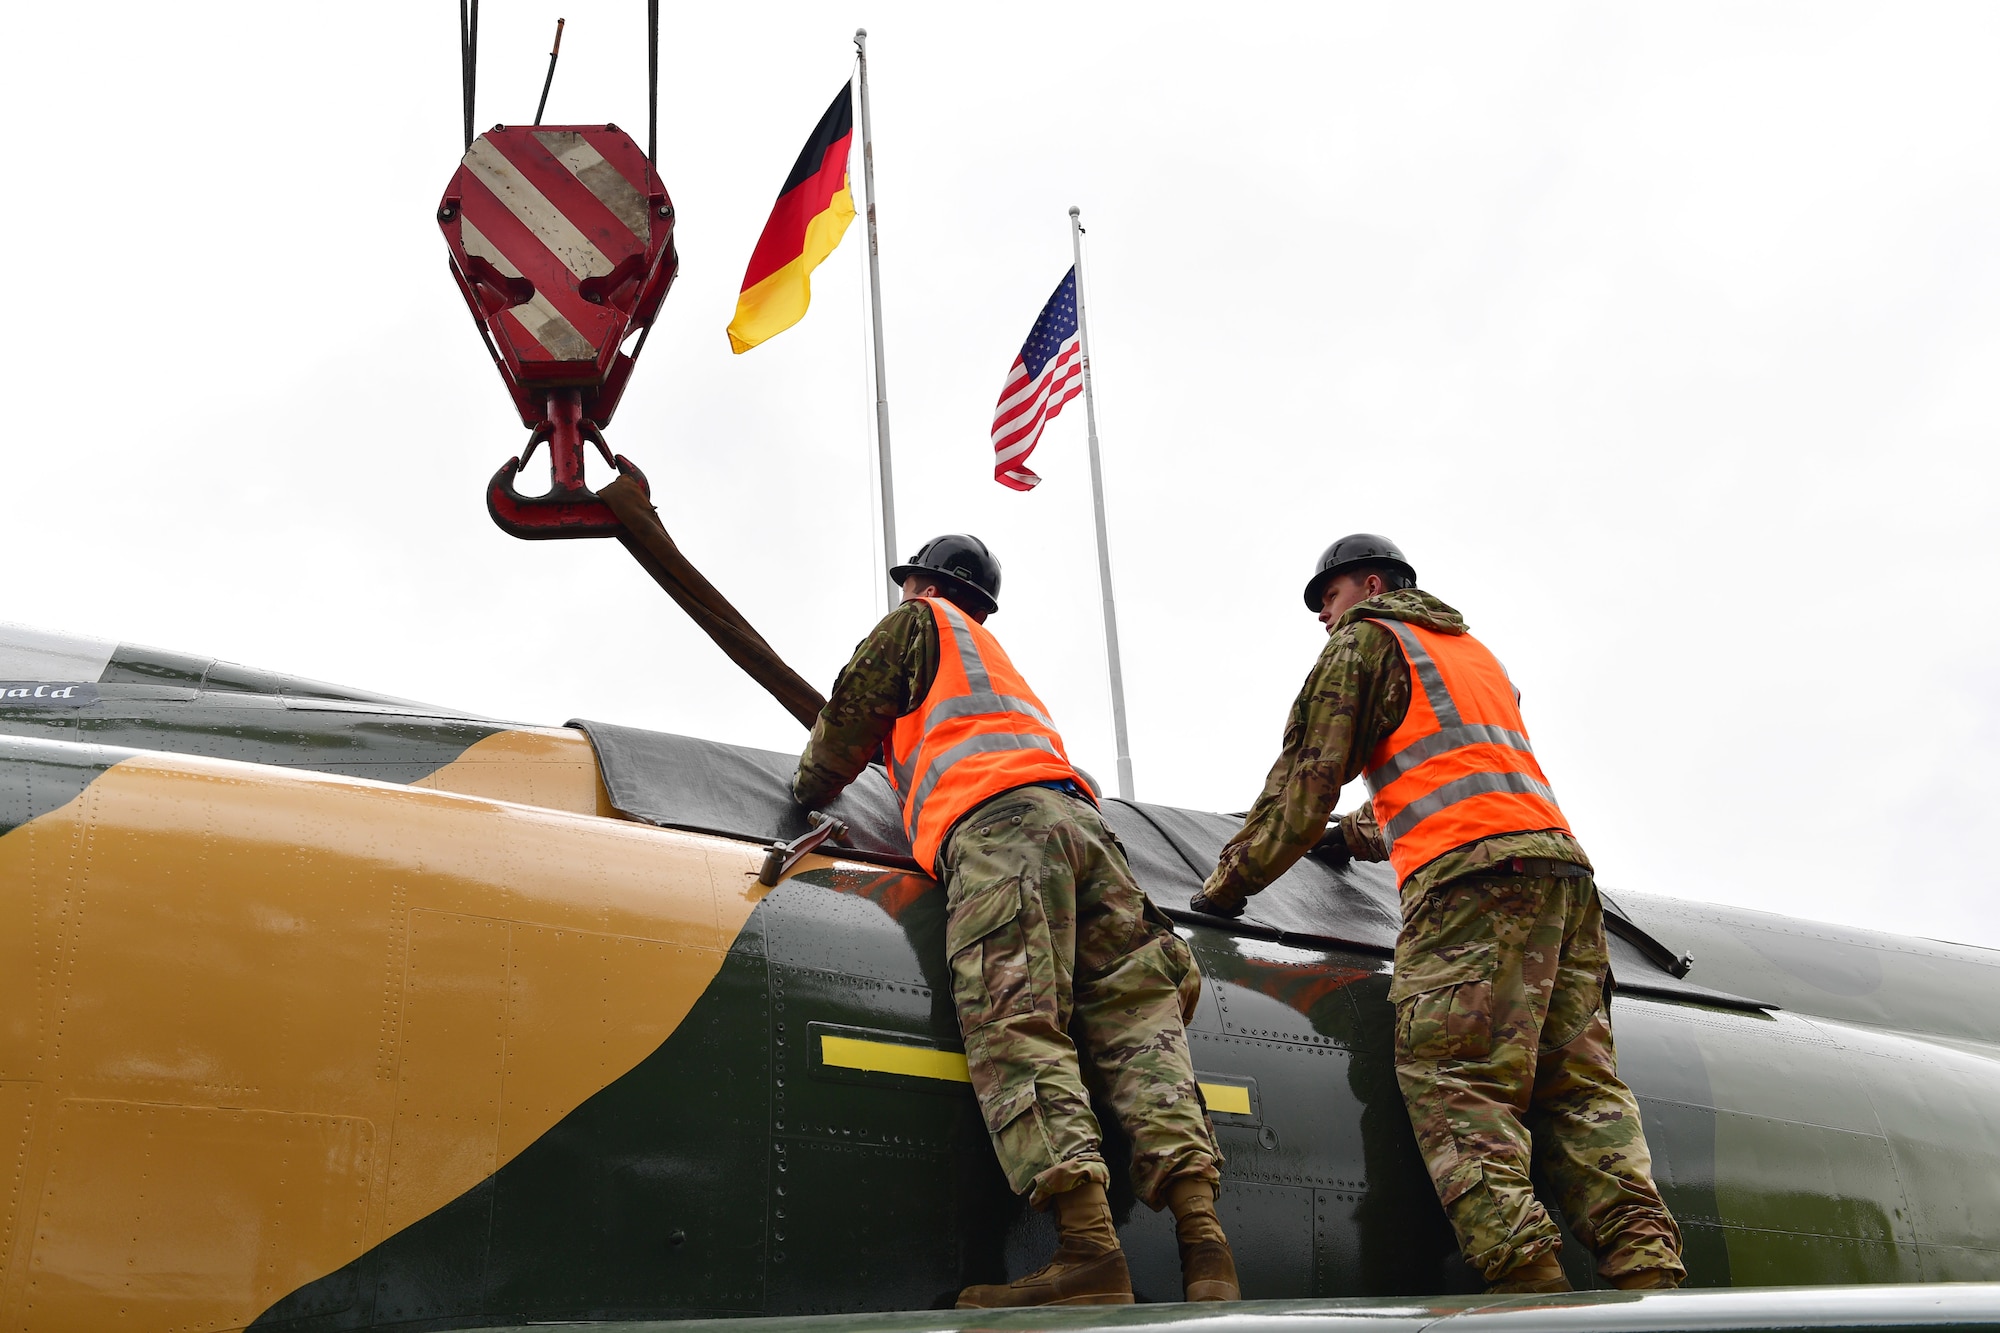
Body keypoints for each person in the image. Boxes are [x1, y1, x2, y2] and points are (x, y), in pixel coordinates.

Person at [1189, 534, 1684, 1294]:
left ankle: (1527, 1277)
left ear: (1374, 583)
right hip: (1563, 878)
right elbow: (1448, 772)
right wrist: (1352, 836)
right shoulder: (1473, 655)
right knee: (1580, 1087)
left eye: (1330, 593)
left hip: (1468, 883)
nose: (1323, 613)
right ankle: (1646, 1267)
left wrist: (1228, 884)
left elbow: (1305, 780)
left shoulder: (1368, 640)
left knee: (1454, 1075)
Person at [793, 534, 1238, 1308]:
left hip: (1001, 832)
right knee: (1139, 1025)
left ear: (924, 586)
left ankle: (1089, 1253)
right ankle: (1208, 1253)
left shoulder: (919, 623)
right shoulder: (995, 664)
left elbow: (844, 721)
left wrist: (810, 783)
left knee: (1016, 1018)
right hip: (1086, 830)